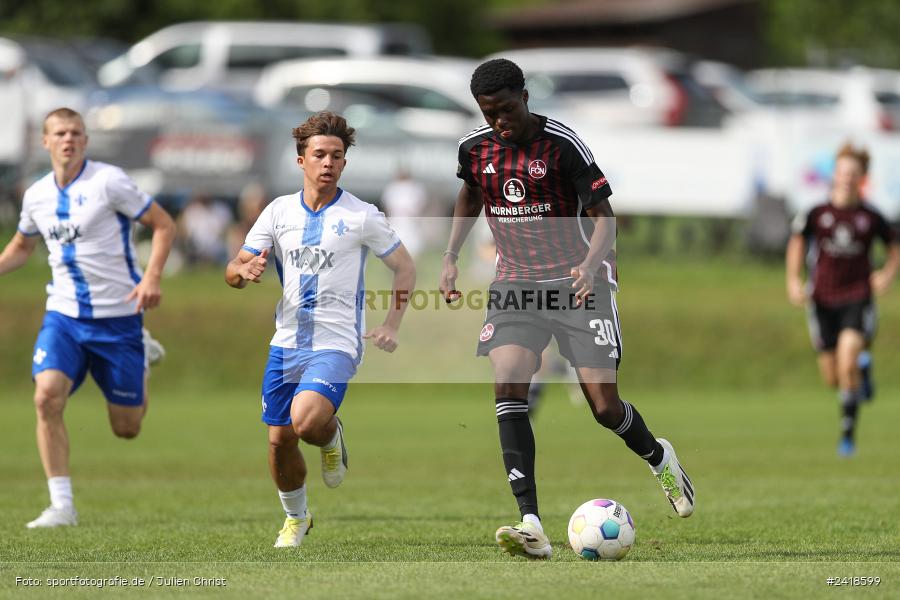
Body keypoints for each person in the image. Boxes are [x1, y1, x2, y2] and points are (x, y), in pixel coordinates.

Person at [439, 59, 695, 560]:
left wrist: (589, 266)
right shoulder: (475, 149)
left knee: (603, 406)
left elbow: (605, 219)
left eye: (507, 110)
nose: (500, 122)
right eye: (490, 114)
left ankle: (659, 457)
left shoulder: (563, 145)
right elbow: (470, 193)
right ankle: (530, 521)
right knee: (508, 380)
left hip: (581, 282)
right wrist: (449, 256)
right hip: (516, 281)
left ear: (526, 97)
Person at [225, 111, 415, 548]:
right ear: (301, 160)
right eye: (319, 155)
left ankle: (330, 434)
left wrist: (390, 323)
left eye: (337, 155)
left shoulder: (362, 215)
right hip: (286, 342)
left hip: (337, 343)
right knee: (278, 441)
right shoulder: (277, 212)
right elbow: (233, 269)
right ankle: (296, 518)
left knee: (306, 422)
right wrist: (244, 269)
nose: (328, 162)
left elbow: (404, 268)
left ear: (345, 162)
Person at [0, 107, 176, 528]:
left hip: (119, 318)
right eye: (60, 133)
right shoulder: (36, 194)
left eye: (76, 133)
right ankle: (62, 506)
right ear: (45, 141)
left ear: (85, 141)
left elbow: (164, 225)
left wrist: (151, 277)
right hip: (63, 316)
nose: (68, 140)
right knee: (46, 397)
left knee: (127, 428)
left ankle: (144, 357)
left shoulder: (108, 181)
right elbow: (23, 246)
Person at [786, 142, 898, 457]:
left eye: (854, 173)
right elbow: (796, 244)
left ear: (862, 177)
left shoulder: (872, 216)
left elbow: (894, 247)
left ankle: (847, 436)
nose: (847, 178)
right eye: (842, 171)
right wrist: (794, 280)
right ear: (834, 174)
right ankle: (862, 376)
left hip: (857, 297)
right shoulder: (816, 213)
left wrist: (887, 274)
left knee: (848, 355)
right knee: (833, 377)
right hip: (821, 300)